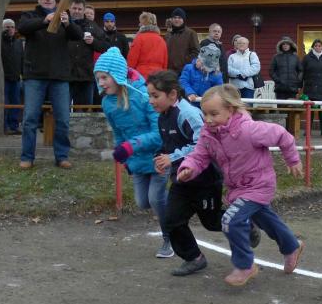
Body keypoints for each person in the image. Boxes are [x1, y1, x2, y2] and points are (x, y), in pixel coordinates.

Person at [177, 84, 305, 286]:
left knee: (230, 220)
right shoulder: (208, 134)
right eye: (205, 114)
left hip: (259, 185)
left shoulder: (249, 129)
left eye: (214, 114)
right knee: (265, 219)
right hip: (238, 188)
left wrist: (293, 160)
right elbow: (199, 156)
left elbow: (282, 135)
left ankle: (245, 265)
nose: (208, 119)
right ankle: (291, 246)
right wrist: (189, 168)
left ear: (230, 110)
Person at [147, 70, 261, 276]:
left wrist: (172, 157)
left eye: (155, 96)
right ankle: (194, 258)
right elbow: (170, 144)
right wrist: (161, 156)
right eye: (149, 96)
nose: (151, 101)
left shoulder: (187, 114)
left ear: (172, 94)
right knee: (171, 219)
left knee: (212, 222)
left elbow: (203, 143)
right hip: (182, 179)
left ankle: (246, 224)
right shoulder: (162, 116)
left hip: (205, 179)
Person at [95, 47, 172, 258]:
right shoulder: (107, 103)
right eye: (98, 78)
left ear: (117, 75)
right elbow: (118, 133)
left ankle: (170, 237)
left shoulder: (144, 95)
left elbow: (159, 133)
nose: (101, 82)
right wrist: (124, 156)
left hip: (158, 156)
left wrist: (131, 146)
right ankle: (175, 205)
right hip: (137, 160)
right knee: (142, 202)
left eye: (105, 77)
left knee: (156, 199)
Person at [18, 0, 83, 169]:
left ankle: (62, 157)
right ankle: (27, 157)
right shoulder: (30, 15)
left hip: (60, 76)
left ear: (55, 0)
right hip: (34, 75)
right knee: (30, 119)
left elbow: (78, 35)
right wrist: (44, 20)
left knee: (63, 119)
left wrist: (67, 23)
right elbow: (23, 28)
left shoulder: (64, 16)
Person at [68, 0, 108, 106]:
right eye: (74, 8)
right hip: (66, 75)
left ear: (83, 10)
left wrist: (93, 42)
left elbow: (105, 46)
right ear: (69, 9)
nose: (77, 11)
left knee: (85, 111)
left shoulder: (92, 25)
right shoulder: (62, 24)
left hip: (86, 76)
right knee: (63, 110)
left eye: (79, 9)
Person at [300, 39, 322, 135]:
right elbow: (302, 71)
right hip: (309, 87)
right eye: (316, 46)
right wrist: (300, 84)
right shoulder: (307, 58)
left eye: (319, 46)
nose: (317, 47)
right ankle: (308, 131)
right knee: (309, 110)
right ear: (313, 47)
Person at [127, 11, 167, 79]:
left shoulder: (139, 38)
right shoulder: (162, 40)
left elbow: (132, 60)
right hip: (158, 77)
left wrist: (129, 75)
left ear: (142, 24)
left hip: (141, 76)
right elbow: (165, 63)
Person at [1, 18, 23, 134]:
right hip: (3, 78)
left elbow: (22, 59)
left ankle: (14, 125)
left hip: (16, 77)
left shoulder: (18, 43)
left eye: (12, 27)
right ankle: (4, 126)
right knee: (4, 103)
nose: (10, 29)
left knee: (15, 102)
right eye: (7, 27)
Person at [165, 7, 199, 75]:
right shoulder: (168, 35)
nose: (177, 19)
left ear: (183, 20)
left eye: (179, 18)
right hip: (169, 72)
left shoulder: (191, 33)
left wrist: (184, 63)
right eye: (174, 17)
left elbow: (196, 52)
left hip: (184, 72)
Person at [269, 36, 302, 100]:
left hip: (292, 89)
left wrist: (297, 81)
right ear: (281, 46)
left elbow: (301, 71)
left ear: (290, 45)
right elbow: (271, 71)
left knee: (291, 106)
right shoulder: (276, 57)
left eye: (287, 44)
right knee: (281, 106)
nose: (285, 46)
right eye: (283, 44)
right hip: (280, 89)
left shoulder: (296, 57)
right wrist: (278, 80)